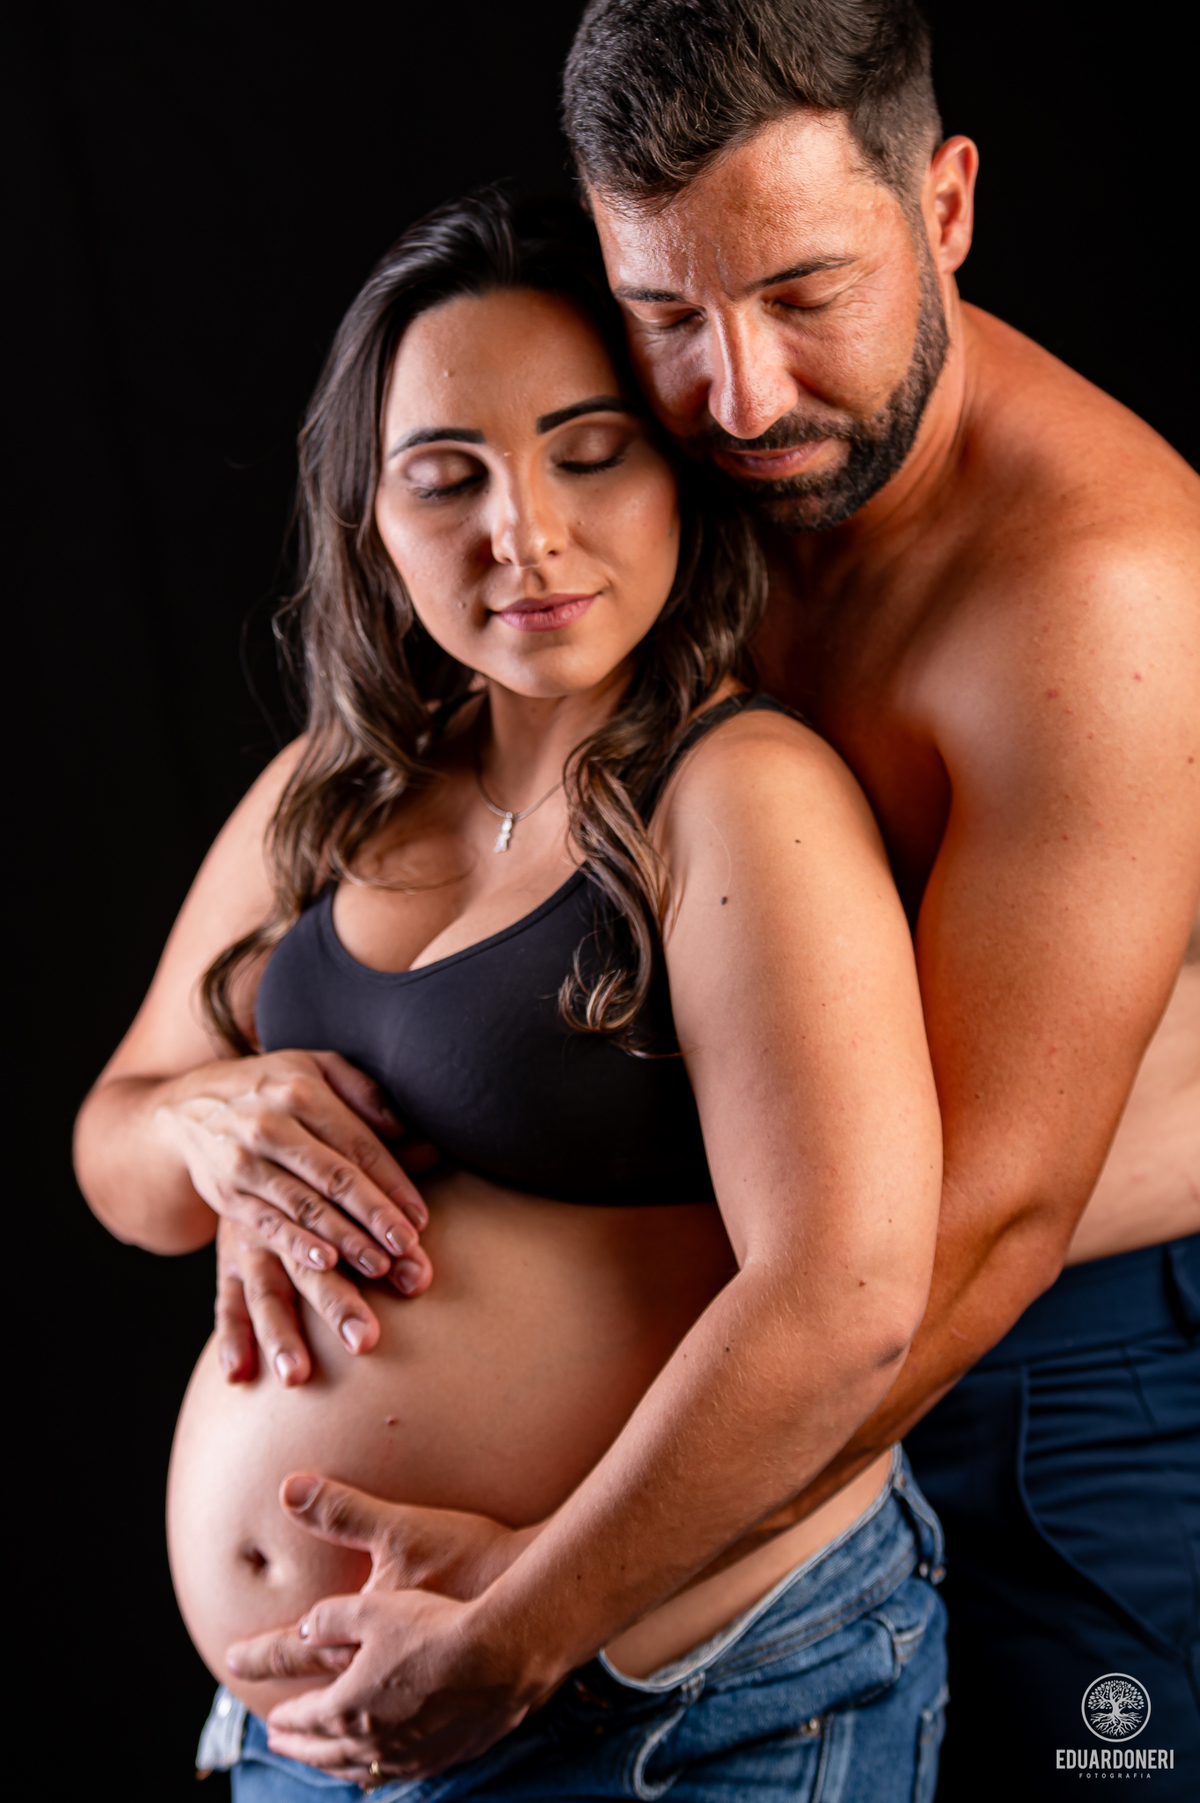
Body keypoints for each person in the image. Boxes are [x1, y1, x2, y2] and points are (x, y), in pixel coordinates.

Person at [200, 3, 1200, 1795]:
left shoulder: (1101, 591)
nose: (738, 392)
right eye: (670, 314)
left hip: (1058, 1359)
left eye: (806, 294)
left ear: (947, 207)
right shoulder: (701, 476)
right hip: (769, 1344)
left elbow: (971, 1227)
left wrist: (570, 1595)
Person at [75, 191, 950, 1798]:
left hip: (660, 1708)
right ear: (370, 517)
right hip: (316, 1733)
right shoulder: (331, 797)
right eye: (446, 477)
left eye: (587, 450)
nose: (522, 533)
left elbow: (843, 1295)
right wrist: (204, 1123)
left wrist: (524, 1633)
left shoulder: (735, 795)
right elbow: (121, 1165)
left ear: (676, 469)